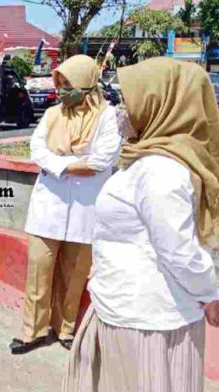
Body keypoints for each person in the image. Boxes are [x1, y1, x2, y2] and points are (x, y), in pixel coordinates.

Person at [63, 57, 219, 392]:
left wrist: (210, 294)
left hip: (149, 323)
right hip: (126, 310)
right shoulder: (145, 160)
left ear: (159, 106)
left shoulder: (160, 171)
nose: (119, 110)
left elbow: (179, 251)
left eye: (127, 102)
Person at [9, 55, 122, 354]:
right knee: (39, 270)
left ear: (85, 83)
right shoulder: (52, 114)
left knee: (74, 274)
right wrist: (73, 165)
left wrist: (58, 164)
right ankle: (32, 332)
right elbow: (37, 150)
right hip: (48, 207)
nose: (61, 90)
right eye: (59, 84)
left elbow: (104, 159)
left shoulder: (107, 117)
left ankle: (66, 328)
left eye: (68, 84)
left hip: (87, 208)